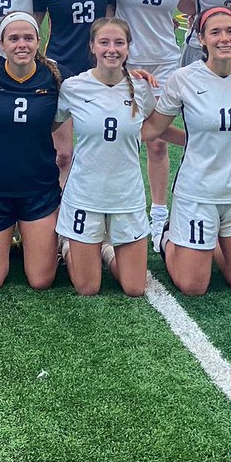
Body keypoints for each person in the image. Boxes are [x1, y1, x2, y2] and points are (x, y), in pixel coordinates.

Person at [142, 7, 231, 296]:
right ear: (201, 39)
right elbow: (153, 129)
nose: (224, 39)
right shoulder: (183, 79)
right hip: (198, 192)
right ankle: (165, 237)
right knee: (193, 286)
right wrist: (124, 99)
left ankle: (214, 241)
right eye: (216, 32)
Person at [101, 0, 194, 247]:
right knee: (120, 135)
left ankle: (158, 214)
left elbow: (188, 4)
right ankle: (112, 207)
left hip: (166, 59)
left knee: (156, 142)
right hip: (126, 58)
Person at [55, 18, 154, 296]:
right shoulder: (74, 87)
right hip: (86, 195)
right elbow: (51, 122)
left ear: (128, 48)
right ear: (92, 46)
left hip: (126, 195)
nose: (112, 49)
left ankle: (107, 250)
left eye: (119, 43)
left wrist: (189, 140)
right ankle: (68, 244)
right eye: (104, 42)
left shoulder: (141, 87)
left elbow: (155, 127)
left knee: (134, 288)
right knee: (88, 288)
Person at [0, 12, 69, 291]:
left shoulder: (56, 77)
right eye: (13, 39)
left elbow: (98, 83)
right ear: (1, 43)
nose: (21, 45)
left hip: (38, 188)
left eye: (28, 38)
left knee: (41, 281)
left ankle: (63, 242)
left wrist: (131, 76)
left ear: (39, 41)